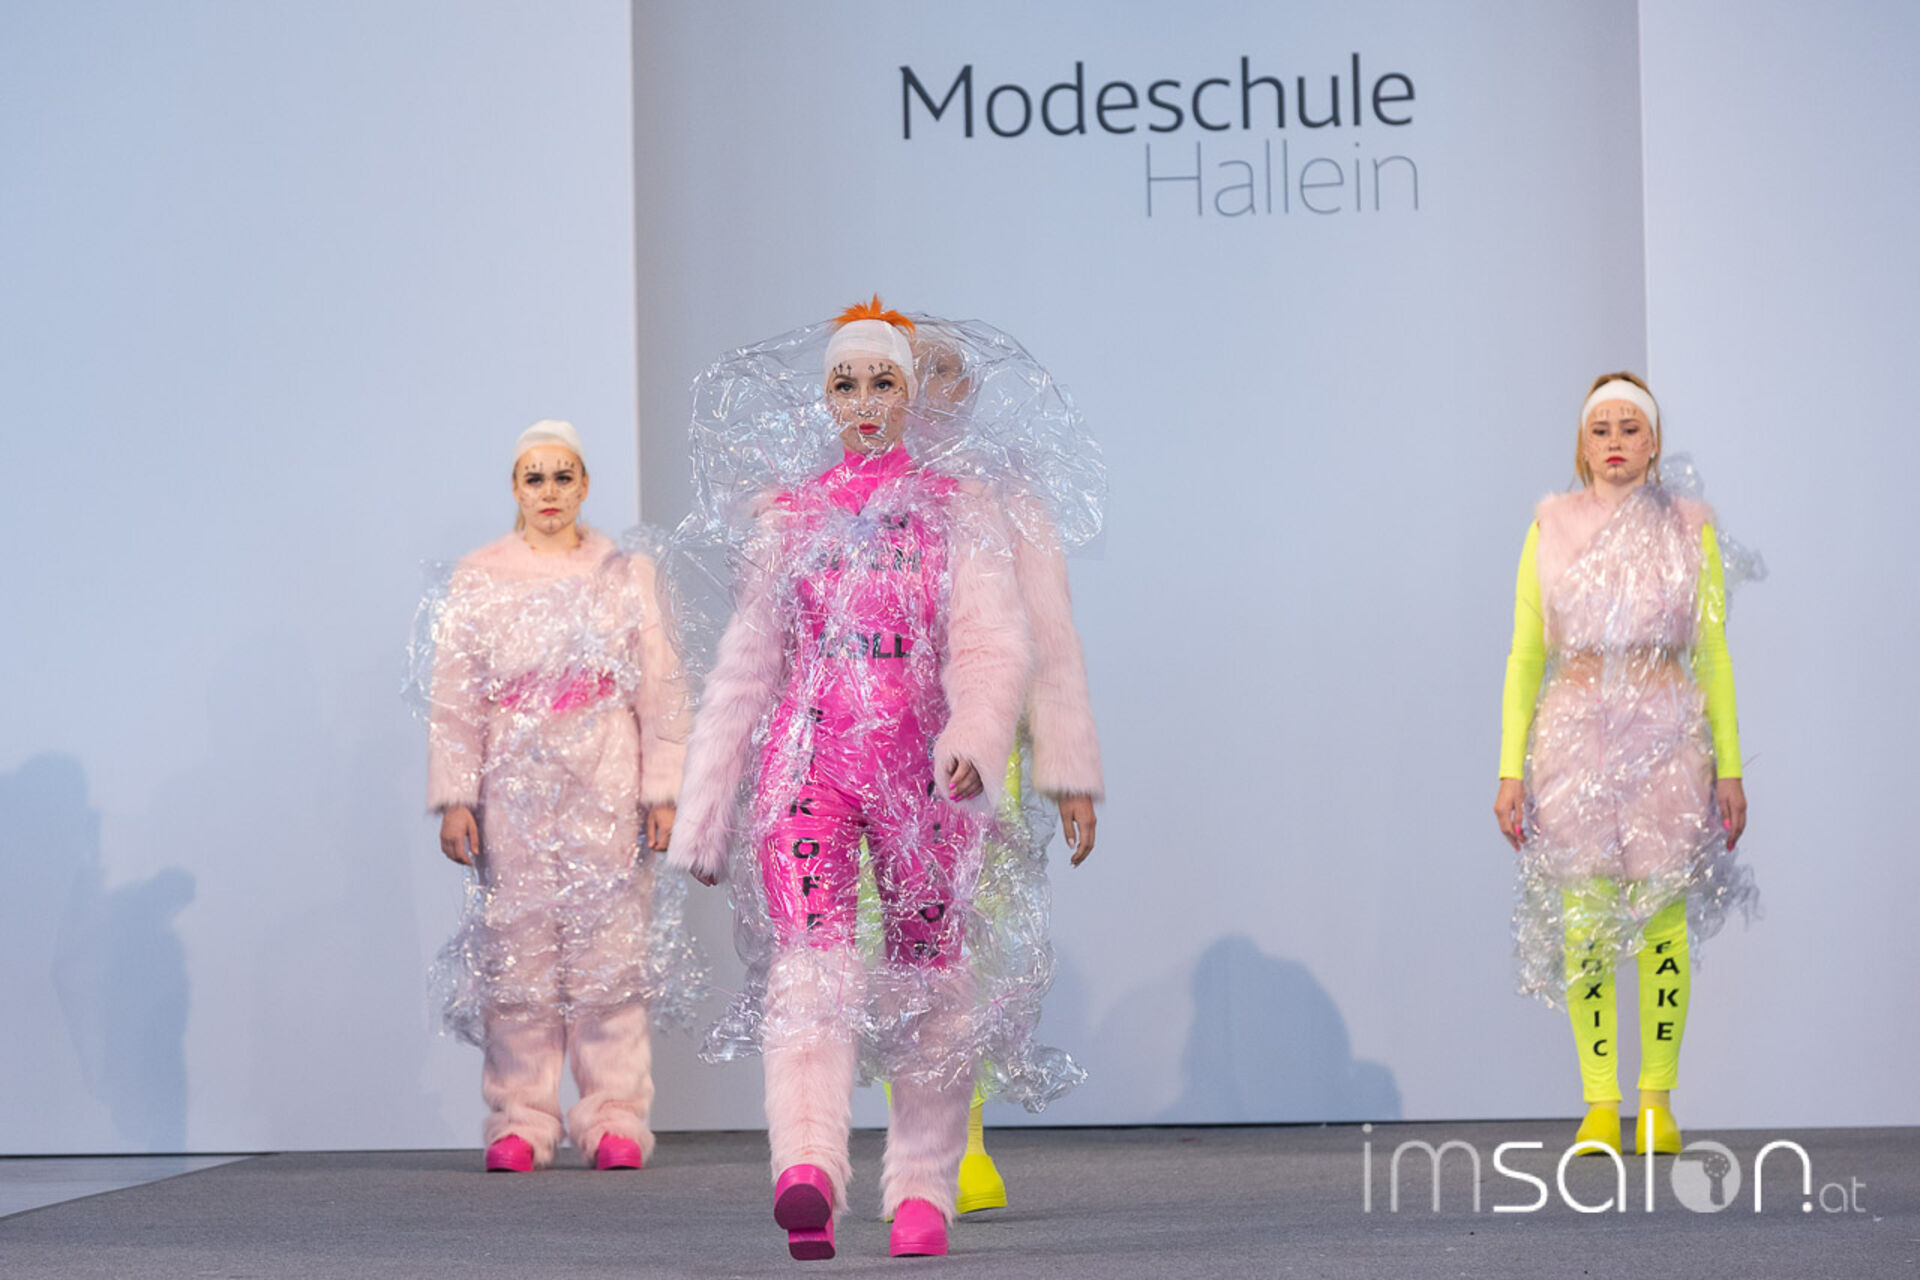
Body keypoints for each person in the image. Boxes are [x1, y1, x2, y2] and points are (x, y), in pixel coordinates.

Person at [671, 300, 1084, 1259]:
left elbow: (991, 643)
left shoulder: (956, 510)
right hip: (808, 767)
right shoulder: (788, 517)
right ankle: (806, 1169)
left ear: (907, 396)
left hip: (924, 771)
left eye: (882, 382)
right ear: (825, 398)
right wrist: (706, 808)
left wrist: (976, 734)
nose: (864, 400)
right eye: (845, 383)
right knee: (810, 970)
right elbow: (746, 667)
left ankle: (922, 1191)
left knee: (930, 971)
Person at [1492, 374, 1757, 1156]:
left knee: (1664, 919)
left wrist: (1730, 767)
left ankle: (1657, 1102)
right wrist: (1510, 770)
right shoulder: (1550, 527)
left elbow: (1711, 652)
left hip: (1667, 735)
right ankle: (1599, 1102)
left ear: (1654, 443)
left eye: (1630, 428)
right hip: (1573, 736)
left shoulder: (1688, 528)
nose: (1615, 441)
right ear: (1582, 444)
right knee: (1585, 922)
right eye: (1600, 428)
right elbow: (1524, 656)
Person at [421, 419, 694, 1173]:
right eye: (534, 477)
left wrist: (662, 792)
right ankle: (521, 1118)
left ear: (585, 484)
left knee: (612, 953)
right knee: (519, 956)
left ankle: (615, 1118)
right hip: (513, 783)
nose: (549, 491)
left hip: (606, 778)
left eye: (563, 476)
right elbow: (454, 697)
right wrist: (456, 797)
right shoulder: (479, 575)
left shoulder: (625, 573)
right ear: (514, 487)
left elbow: (661, 688)